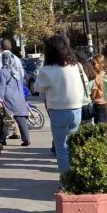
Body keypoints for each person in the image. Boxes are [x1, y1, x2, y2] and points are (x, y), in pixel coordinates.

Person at [36, 34, 85, 174]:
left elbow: (38, 87)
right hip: (77, 109)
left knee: (61, 147)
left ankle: (67, 178)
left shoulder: (47, 70)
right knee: (72, 144)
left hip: (58, 111)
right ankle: (76, 174)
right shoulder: (77, 66)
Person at [0, 48, 31, 147]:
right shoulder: (17, 71)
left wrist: (0, 100)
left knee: (5, 119)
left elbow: (2, 87)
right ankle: (26, 139)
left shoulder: (2, 72)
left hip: (8, 98)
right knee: (21, 118)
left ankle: (2, 139)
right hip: (19, 97)